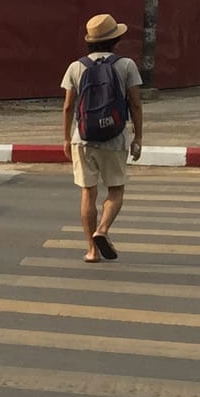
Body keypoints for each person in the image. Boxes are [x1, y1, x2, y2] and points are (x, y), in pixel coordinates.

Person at [61, 13, 144, 264]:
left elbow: (67, 107)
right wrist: (138, 137)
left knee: (88, 192)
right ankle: (103, 230)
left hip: (83, 137)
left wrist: (66, 138)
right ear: (115, 40)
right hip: (115, 136)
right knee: (116, 190)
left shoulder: (76, 67)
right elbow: (136, 104)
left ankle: (91, 251)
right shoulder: (126, 65)